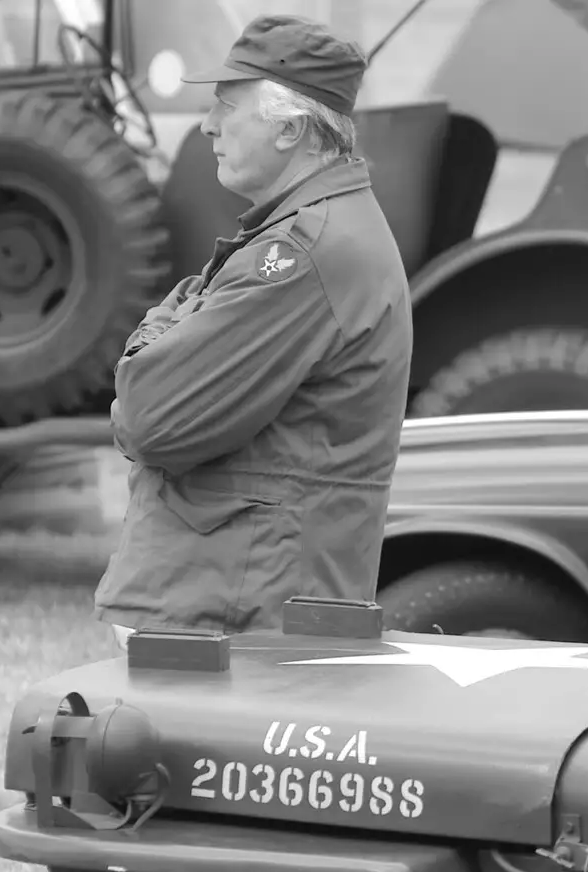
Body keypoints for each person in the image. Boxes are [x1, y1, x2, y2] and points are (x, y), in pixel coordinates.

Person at [94, 14, 412, 646]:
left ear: (290, 129)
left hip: (232, 615)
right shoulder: (308, 234)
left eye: (227, 106)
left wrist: (153, 340)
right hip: (231, 598)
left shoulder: (305, 252)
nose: (209, 124)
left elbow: (149, 413)